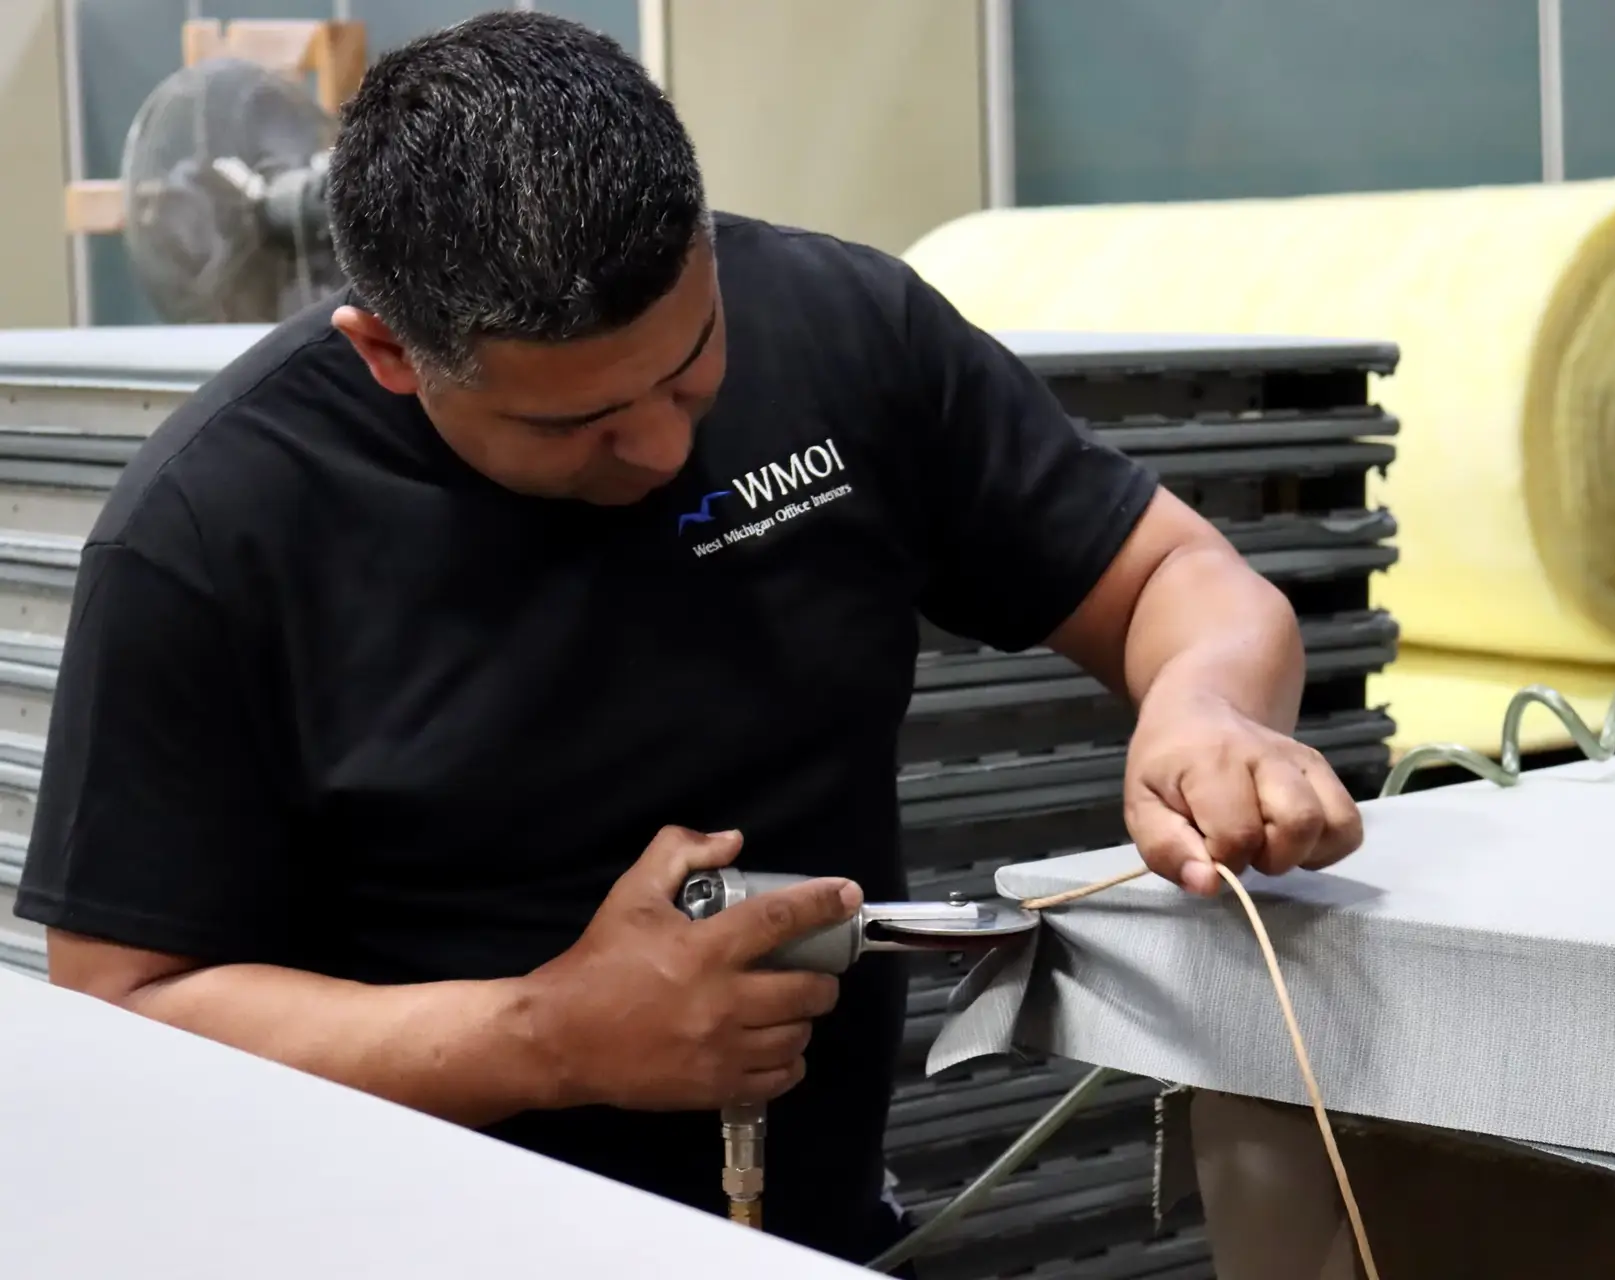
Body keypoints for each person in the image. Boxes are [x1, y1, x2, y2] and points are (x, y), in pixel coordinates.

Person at [15, 10, 1363, 1266]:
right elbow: (128, 1006)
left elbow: (1172, 575)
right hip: (396, 1242)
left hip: (803, 1226)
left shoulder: (846, 332)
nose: (659, 448)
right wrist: (545, 1036)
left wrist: (1210, 708)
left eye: (688, 365)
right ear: (387, 353)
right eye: (571, 425)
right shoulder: (213, 533)